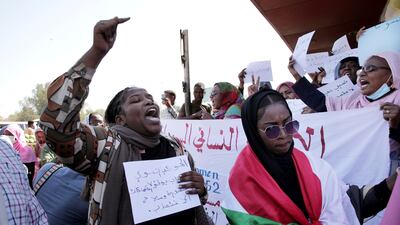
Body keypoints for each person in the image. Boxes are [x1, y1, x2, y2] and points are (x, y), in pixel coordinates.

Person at [39, 17, 212, 225]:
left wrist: (200, 190)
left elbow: (195, 202)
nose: (149, 102)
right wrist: (96, 52)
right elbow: (57, 129)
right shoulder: (105, 147)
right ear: (120, 120)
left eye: (150, 98)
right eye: (136, 100)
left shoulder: (177, 148)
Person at [221, 89, 397, 225]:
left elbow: (348, 204)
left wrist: (397, 177)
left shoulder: (312, 166)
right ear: (253, 131)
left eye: (289, 125)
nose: (284, 135)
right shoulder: (240, 182)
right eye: (272, 129)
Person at [288, 52, 400, 175]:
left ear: (392, 72)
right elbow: (322, 103)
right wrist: (297, 76)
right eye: (362, 69)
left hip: (389, 170)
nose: (362, 73)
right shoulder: (353, 100)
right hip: (355, 169)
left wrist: (397, 124)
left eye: (370, 69)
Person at [0, 138, 48, 224]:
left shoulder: (5, 148)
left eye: (10, 134)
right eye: (6, 133)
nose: (8, 135)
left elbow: (37, 216)